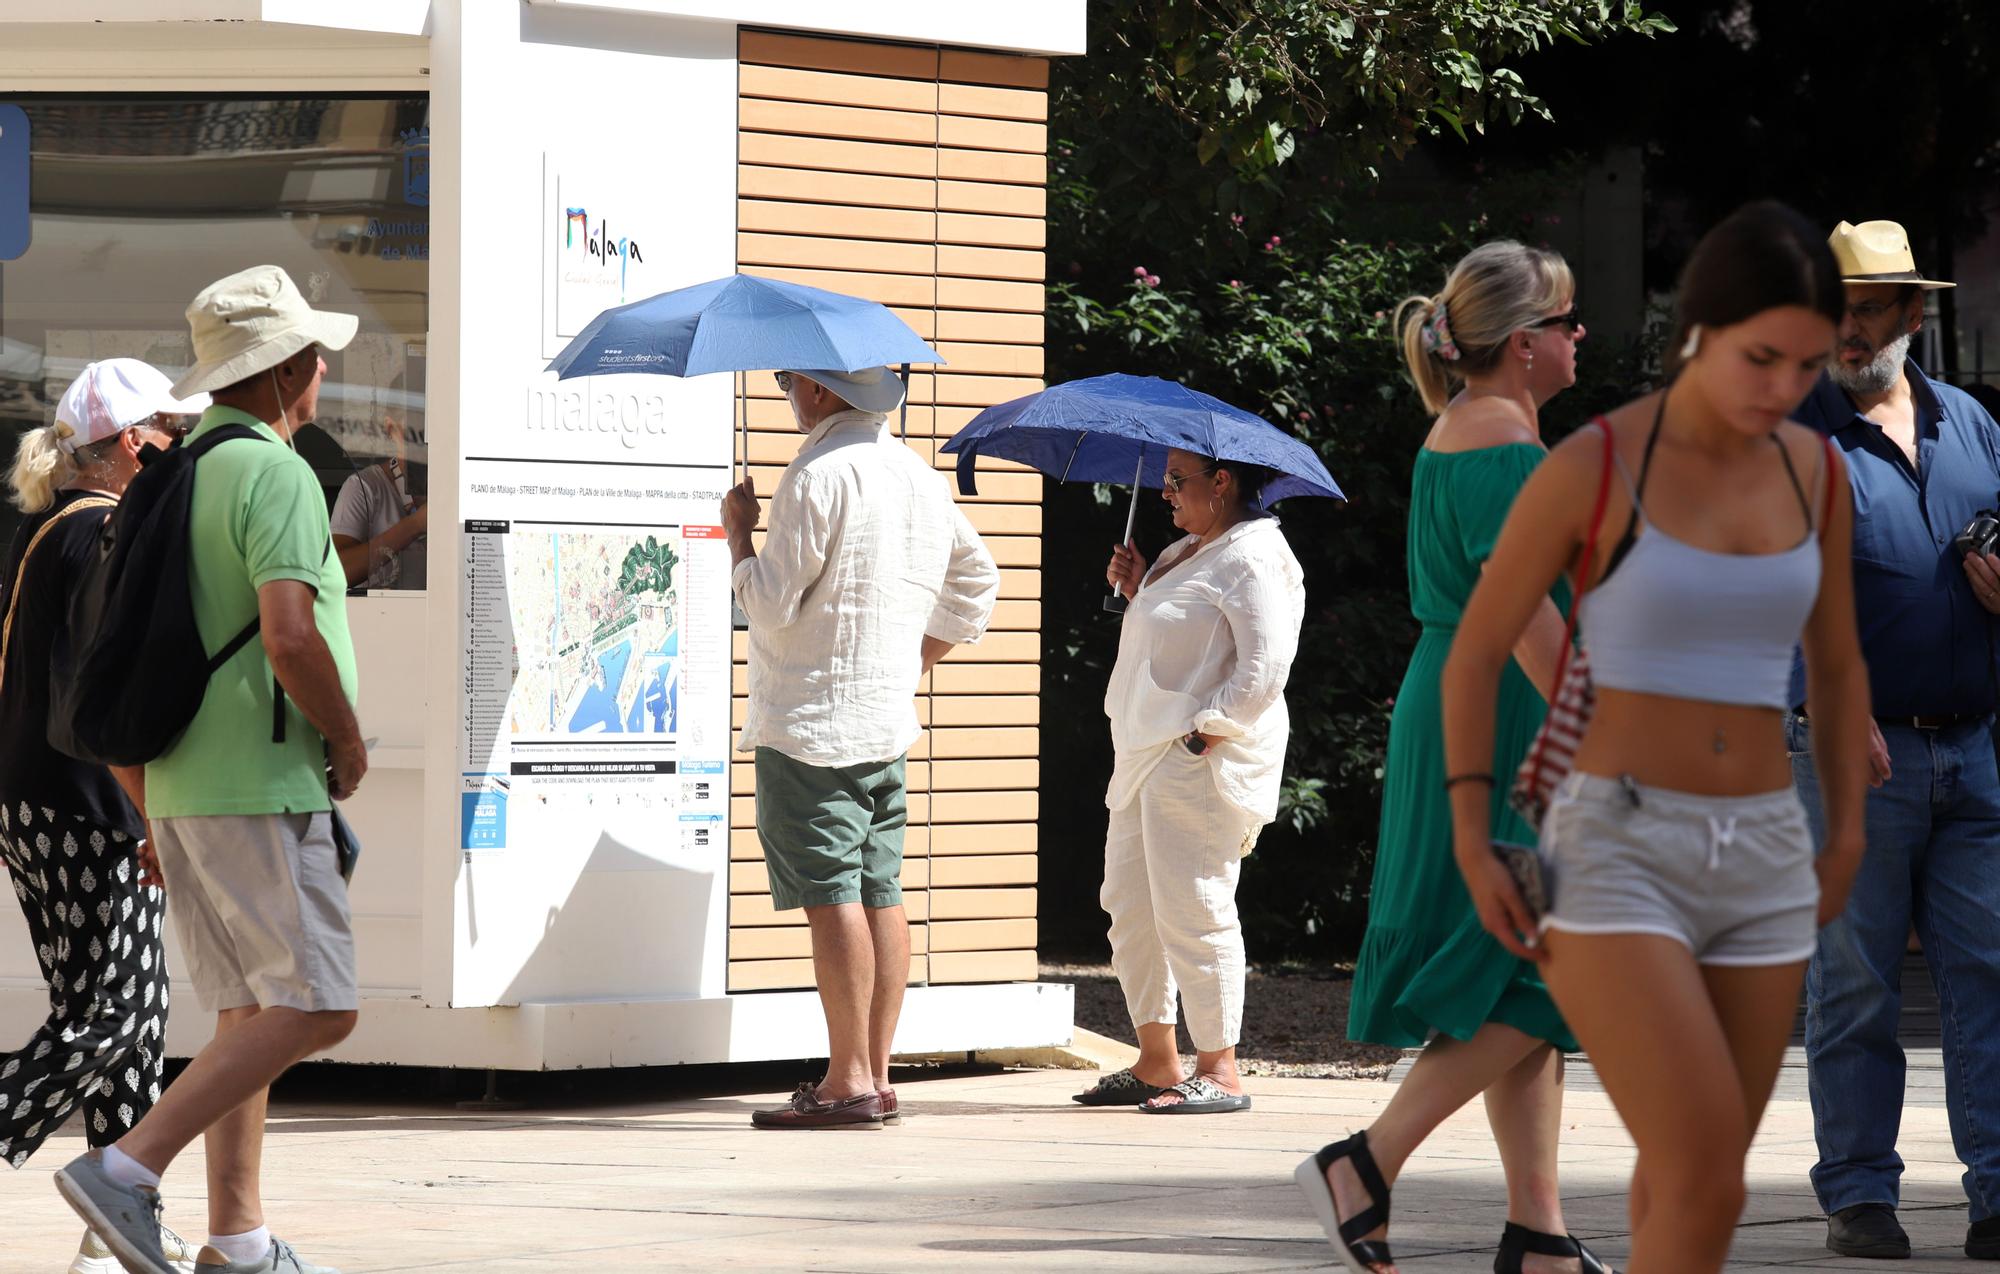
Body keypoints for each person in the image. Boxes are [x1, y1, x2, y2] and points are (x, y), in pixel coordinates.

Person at [1436, 200, 1871, 1273]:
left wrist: (1846, 834)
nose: (1780, 387)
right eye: (1760, 356)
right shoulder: (1589, 463)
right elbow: (1475, 649)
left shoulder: (1813, 471)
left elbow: (1836, 659)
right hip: (1616, 840)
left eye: (1806, 364)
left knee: (1691, 1180)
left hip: (1766, 846)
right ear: (1697, 332)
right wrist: (1465, 829)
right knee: (1700, 1160)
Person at [52, 265, 367, 1274]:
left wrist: (149, 808)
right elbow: (289, 635)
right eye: (312, 353)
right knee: (319, 1002)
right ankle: (129, 1166)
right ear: (282, 371)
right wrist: (348, 740)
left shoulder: (173, 473)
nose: (322, 368)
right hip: (260, 777)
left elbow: (123, 653)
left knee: (246, 1010)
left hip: (180, 785)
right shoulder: (274, 472)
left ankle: (236, 1236)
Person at [1300, 241, 1598, 1274]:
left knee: (1519, 973)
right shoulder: (1508, 453)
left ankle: (1539, 1232)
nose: (1577, 338)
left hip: (1456, 700)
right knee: (1537, 961)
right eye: (1564, 322)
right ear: (1522, 345)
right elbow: (1526, 624)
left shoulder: (1459, 433)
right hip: (1505, 713)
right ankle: (1365, 1159)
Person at [1788, 219, 2000, 1262]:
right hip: (1846, 756)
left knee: (1989, 971)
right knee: (1855, 978)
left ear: (1911, 314)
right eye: (1832, 305)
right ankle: (1858, 1191)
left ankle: (1997, 1190)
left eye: (1865, 306)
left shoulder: (1971, 424)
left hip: (1974, 744)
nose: (1845, 326)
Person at [724, 365, 997, 1131]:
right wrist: (914, 659)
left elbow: (772, 606)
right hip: (884, 721)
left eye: (790, 381)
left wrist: (739, 534)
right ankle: (874, 1074)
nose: (786, 393)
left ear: (819, 391)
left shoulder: (815, 473)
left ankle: (845, 1081)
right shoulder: (916, 474)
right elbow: (979, 579)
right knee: (881, 890)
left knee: (831, 895)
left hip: (812, 724)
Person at [0, 361, 208, 1274]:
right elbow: (96, 694)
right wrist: (150, 811)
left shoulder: (51, 529)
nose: (178, 447)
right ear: (132, 444)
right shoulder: (98, 537)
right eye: (169, 430)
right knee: (117, 1013)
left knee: (133, 1019)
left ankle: (117, 1227)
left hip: (42, 801)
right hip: (84, 803)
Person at [1068, 449, 1304, 1114]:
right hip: (1147, 749)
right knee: (1131, 903)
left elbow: (1265, 664)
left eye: (1178, 481)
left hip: (1195, 754)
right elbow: (1183, 636)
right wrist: (1141, 586)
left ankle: (1220, 1070)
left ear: (1222, 482)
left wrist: (1208, 730)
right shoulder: (1186, 551)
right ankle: (1157, 1061)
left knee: (1194, 905)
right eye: (1167, 482)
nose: (1166, 493)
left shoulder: (1254, 554)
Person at [330, 416, 425, 590]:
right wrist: (415, 525)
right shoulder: (364, 487)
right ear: (390, 429)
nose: (423, 442)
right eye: (413, 432)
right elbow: (336, 572)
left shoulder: (455, 488)